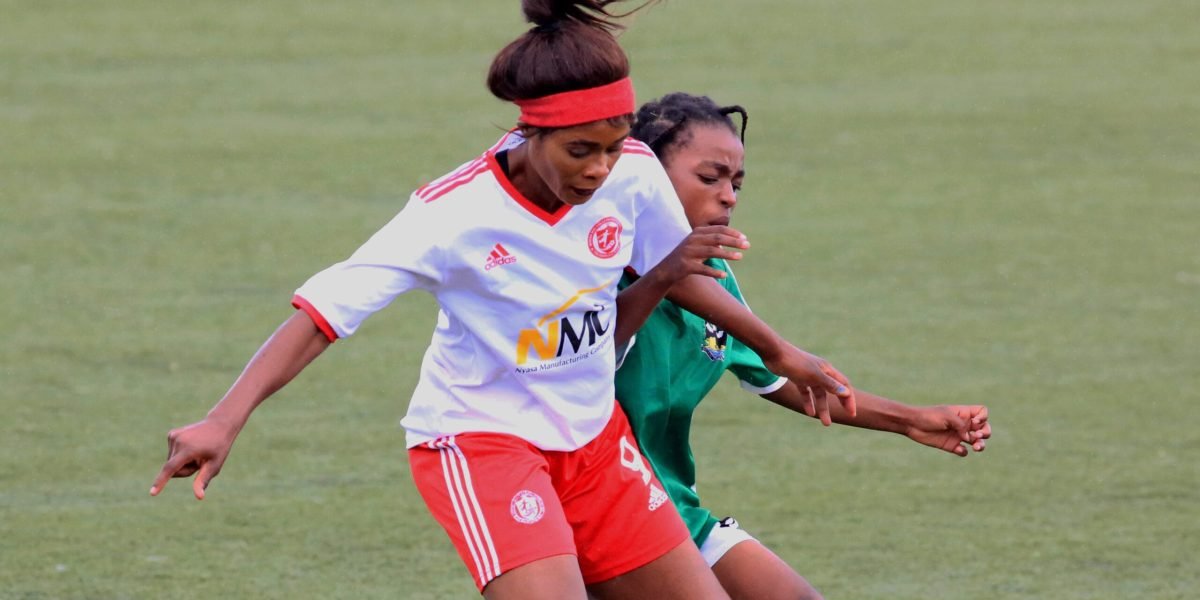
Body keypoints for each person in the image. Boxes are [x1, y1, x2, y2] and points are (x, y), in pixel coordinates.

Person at [149, 3, 859, 599]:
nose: (600, 169)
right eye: (581, 150)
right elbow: (322, 317)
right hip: (482, 443)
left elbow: (684, 275)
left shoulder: (635, 174)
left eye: (612, 146)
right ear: (530, 132)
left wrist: (776, 348)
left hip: (594, 444)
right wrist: (224, 418)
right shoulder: (451, 215)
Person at [616, 92, 993, 600]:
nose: (729, 196)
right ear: (647, 177)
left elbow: (787, 382)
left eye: (736, 183)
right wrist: (778, 345)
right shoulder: (601, 269)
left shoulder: (717, 278)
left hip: (674, 507)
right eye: (710, 177)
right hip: (603, 515)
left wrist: (911, 419)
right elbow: (655, 275)